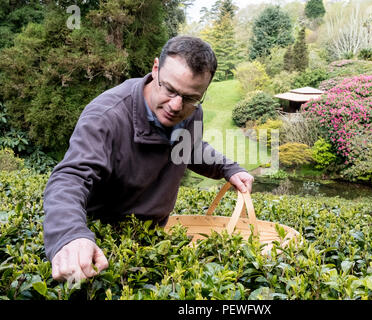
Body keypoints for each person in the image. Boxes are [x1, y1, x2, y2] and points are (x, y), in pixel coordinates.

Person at [43, 36, 254, 282]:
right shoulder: (107, 116)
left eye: (190, 97)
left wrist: (228, 168)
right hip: (102, 247)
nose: (176, 106)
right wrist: (69, 235)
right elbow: (71, 178)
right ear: (155, 69)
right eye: (170, 89)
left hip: (153, 238)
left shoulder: (192, 112)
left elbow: (189, 148)